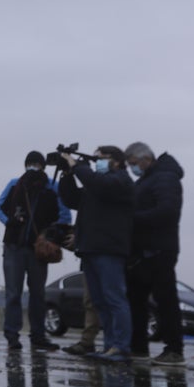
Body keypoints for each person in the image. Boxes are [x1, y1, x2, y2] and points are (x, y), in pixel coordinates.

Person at [58, 145, 135, 362]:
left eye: (101, 158)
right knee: (100, 301)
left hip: (109, 249)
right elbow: (72, 198)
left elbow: (96, 183)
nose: (97, 162)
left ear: (117, 162)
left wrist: (79, 165)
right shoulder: (98, 185)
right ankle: (110, 345)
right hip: (91, 248)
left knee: (114, 298)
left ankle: (121, 347)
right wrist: (67, 173)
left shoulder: (120, 181)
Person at [0, 150, 71, 351]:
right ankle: (13, 335)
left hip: (38, 250)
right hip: (14, 246)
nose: (34, 168)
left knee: (37, 293)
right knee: (16, 293)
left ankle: (37, 335)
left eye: (36, 164)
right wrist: (9, 222)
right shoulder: (15, 184)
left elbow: (65, 216)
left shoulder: (52, 187)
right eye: (32, 164)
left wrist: (49, 234)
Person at [124, 142, 186, 366]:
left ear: (144, 159)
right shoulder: (147, 179)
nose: (132, 168)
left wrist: (132, 219)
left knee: (165, 300)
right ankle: (138, 348)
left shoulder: (165, 178)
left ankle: (174, 350)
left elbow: (168, 211)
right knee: (136, 300)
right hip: (142, 252)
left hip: (160, 250)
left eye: (133, 164)